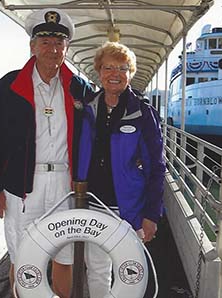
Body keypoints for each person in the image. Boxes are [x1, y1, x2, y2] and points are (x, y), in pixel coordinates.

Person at [0, 8, 93, 298]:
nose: (52, 49)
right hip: (22, 186)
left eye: (58, 43)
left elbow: (98, 133)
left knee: (64, 259)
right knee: (24, 258)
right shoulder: (10, 86)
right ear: (32, 46)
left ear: (66, 48)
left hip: (65, 185)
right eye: (45, 42)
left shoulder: (80, 88)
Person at [76, 41, 166, 298]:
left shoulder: (143, 113)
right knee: (96, 269)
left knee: (129, 271)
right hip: (93, 204)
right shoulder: (85, 109)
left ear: (130, 73)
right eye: (108, 67)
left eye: (122, 68)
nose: (115, 74)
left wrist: (152, 214)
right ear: (98, 71)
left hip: (129, 207)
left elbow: (157, 166)